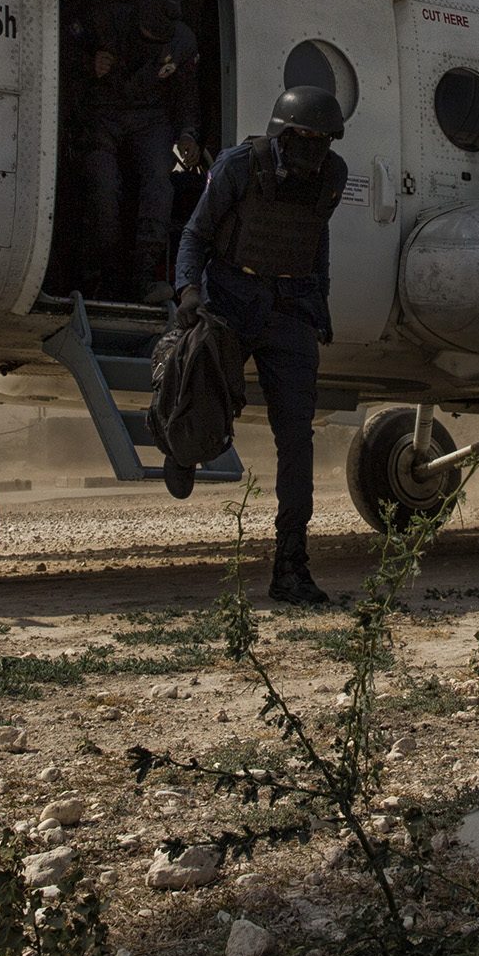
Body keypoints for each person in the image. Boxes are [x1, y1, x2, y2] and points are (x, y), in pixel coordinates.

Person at [171, 85, 350, 606]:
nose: (314, 147)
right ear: (283, 133)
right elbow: (196, 233)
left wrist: (320, 304)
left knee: (297, 440)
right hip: (231, 298)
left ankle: (291, 566)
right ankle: (182, 445)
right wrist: (188, 290)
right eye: (304, 135)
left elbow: (317, 238)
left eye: (323, 138)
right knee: (201, 396)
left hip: (291, 309)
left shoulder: (332, 176)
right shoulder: (239, 165)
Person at [66, 0, 203, 302]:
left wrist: (188, 134)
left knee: (160, 182)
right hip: (104, 110)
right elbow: (62, 50)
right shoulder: (104, 21)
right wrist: (89, 64)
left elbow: (187, 94)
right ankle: (101, 275)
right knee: (103, 185)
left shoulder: (182, 42)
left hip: (150, 115)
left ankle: (144, 274)